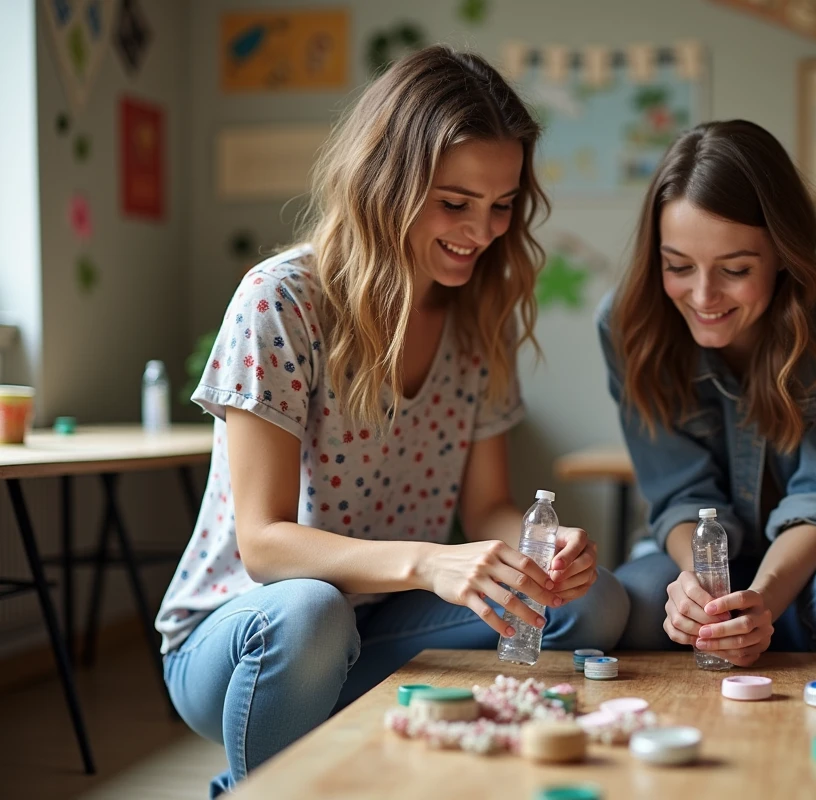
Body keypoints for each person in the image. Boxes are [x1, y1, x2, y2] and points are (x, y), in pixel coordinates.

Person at [155, 46, 628, 797]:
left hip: (379, 624)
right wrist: (430, 563)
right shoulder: (282, 299)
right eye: (455, 203)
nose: (482, 231)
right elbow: (265, 546)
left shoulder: (481, 318)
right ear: (388, 184)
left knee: (594, 602)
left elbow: (488, 506)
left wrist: (540, 548)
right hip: (245, 631)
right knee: (312, 613)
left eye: (502, 205)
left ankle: (316, 735)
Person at [598, 119, 816, 665]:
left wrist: (762, 602)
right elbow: (678, 495)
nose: (703, 296)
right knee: (636, 609)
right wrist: (701, 590)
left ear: (783, 252)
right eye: (678, 266)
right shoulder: (627, 325)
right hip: (694, 551)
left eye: (735, 269)